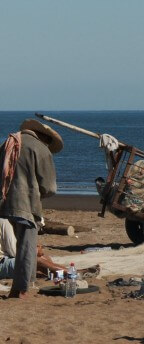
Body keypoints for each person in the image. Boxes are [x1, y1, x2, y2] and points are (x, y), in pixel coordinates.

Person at [0, 119, 63, 299]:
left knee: (18, 245)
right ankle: (21, 289)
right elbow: (49, 187)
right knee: (27, 245)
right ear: (45, 138)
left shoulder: (8, 143)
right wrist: (38, 193)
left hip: (3, 201)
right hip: (25, 203)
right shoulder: (40, 149)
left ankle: (22, 285)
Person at [0, 218, 100, 280]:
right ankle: (73, 273)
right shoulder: (5, 222)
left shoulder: (9, 222)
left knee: (45, 258)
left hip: (6, 261)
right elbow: (15, 253)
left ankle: (63, 274)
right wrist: (34, 251)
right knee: (37, 260)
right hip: (2, 263)